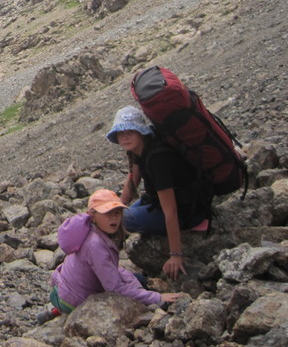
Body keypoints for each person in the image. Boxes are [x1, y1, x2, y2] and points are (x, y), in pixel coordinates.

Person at [107, 106, 210, 280]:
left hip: (188, 212)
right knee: (116, 215)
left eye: (131, 131)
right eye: (121, 132)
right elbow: (133, 180)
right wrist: (114, 208)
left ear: (141, 132)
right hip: (166, 203)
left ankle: (185, 229)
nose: (125, 136)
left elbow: (171, 210)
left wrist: (176, 254)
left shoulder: (157, 160)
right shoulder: (142, 149)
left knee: (125, 219)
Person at [47, 189, 183, 316]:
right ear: (92, 215)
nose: (114, 218)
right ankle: (62, 311)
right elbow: (114, 288)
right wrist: (156, 297)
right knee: (138, 286)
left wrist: (135, 284)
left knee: (137, 280)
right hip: (73, 299)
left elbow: (111, 269)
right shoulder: (95, 244)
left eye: (117, 213)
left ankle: (56, 311)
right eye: (107, 213)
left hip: (66, 289)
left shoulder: (93, 232)